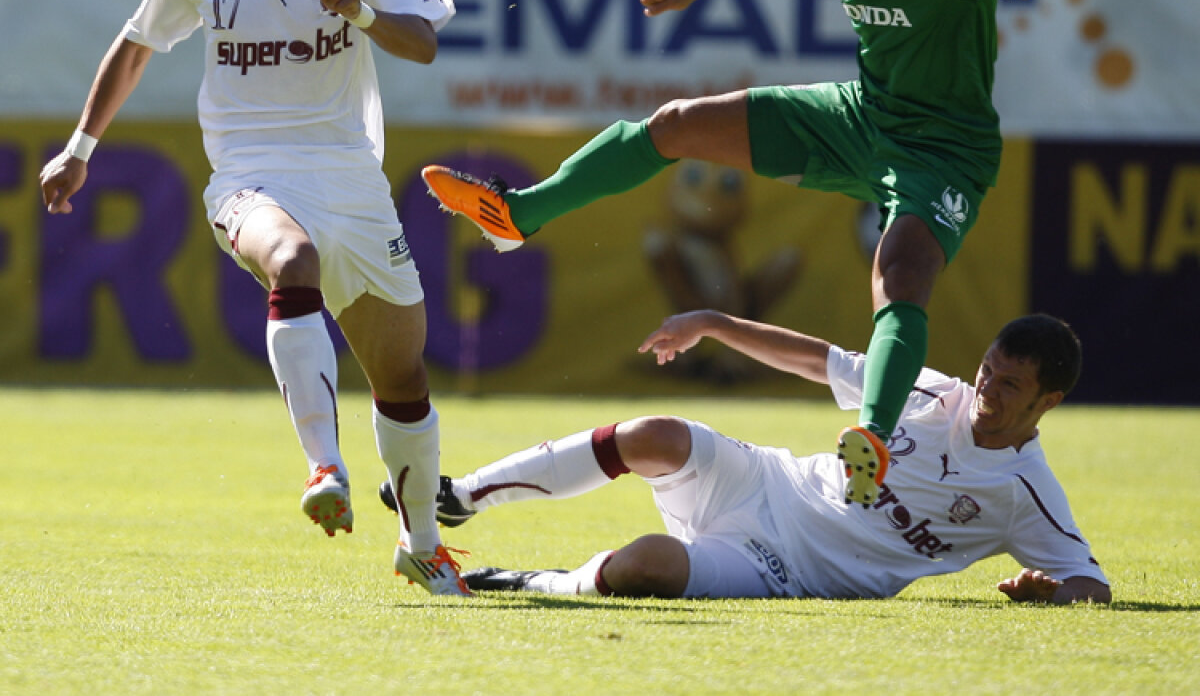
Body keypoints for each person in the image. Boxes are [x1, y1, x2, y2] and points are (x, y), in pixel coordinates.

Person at [419, 0, 1048, 506]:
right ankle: (519, 214)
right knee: (676, 124)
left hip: (943, 151)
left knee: (900, 275)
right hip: (862, 117)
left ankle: (871, 440)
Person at [39, 0, 471, 596]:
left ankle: (422, 545)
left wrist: (361, 10)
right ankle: (324, 465)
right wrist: (79, 149)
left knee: (403, 378)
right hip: (249, 173)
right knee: (291, 259)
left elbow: (423, 43)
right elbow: (134, 47)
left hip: (351, 177)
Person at [403, 309, 1110, 604]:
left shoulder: (1024, 491)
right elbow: (817, 360)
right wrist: (713, 322)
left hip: (788, 569)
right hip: (771, 481)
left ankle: (533, 582)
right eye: (987, 370)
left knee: (650, 564)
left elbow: (1094, 584)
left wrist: (1050, 592)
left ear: (1047, 400)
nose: (986, 390)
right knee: (656, 433)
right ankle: (461, 496)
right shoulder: (928, 391)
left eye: (1009, 385)